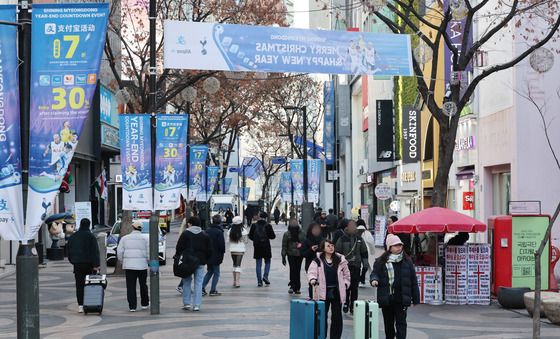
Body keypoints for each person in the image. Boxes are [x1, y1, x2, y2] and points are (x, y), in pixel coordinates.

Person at [370, 234, 420, 339]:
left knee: (401, 323)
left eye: (400, 245)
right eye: (396, 245)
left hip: (401, 298)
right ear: (389, 248)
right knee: (388, 324)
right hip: (387, 298)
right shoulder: (381, 261)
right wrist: (374, 280)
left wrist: (415, 299)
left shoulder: (407, 261)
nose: (399, 247)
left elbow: (413, 280)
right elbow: (375, 273)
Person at [307, 240, 351, 339]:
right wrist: (313, 279)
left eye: (332, 245)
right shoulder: (317, 260)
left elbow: (347, 274)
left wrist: (345, 284)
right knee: (322, 317)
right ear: (323, 248)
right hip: (322, 292)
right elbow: (311, 272)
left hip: (337, 291)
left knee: (337, 317)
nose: (331, 247)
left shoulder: (340, 259)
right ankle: (321, 336)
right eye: (328, 246)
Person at [175, 216, 212, 311]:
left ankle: (187, 303)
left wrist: (179, 257)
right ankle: (197, 305)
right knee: (199, 283)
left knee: (186, 281)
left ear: (190, 224)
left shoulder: (185, 234)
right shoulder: (205, 235)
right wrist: (205, 260)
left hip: (187, 262)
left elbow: (179, 248)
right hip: (200, 262)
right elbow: (209, 250)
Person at [335, 219, 369, 314]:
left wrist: (365, 265)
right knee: (346, 286)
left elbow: (364, 252)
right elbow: (337, 253)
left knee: (354, 287)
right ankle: (345, 302)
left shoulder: (359, 239)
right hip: (345, 267)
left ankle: (353, 305)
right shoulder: (342, 239)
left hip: (356, 266)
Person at [66, 218, 100, 313]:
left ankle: (80, 305)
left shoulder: (74, 236)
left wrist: (72, 261)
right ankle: (89, 302)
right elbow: (95, 252)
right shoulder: (91, 236)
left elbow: (68, 250)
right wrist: (96, 265)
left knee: (79, 285)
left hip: (77, 264)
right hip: (89, 264)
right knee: (89, 284)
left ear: (80, 224)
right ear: (89, 225)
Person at [117, 220, 149, 312]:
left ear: (132, 227)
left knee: (130, 286)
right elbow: (149, 252)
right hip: (142, 266)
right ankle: (145, 303)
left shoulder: (125, 238)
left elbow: (119, 252)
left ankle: (132, 306)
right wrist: (147, 261)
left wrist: (122, 261)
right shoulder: (145, 238)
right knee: (143, 285)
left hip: (129, 266)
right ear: (141, 229)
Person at [248, 211, 276, 287]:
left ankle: (259, 281)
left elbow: (250, 236)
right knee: (267, 262)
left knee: (258, 264)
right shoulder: (268, 226)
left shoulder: (254, 225)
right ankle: (265, 276)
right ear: (266, 217)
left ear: (259, 216)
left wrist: (256, 239)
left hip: (257, 246)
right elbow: (273, 236)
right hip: (266, 246)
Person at [202, 214, 226, 296]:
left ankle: (202, 287)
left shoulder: (207, 230)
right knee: (216, 273)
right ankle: (213, 290)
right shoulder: (219, 232)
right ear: (220, 222)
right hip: (216, 255)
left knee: (210, 271)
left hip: (208, 255)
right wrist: (222, 253)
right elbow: (221, 245)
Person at [281, 219, 306, 294]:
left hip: (298, 254)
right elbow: (284, 246)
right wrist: (283, 256)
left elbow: (305, 243)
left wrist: (302, 246)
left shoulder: (301, 233)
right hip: (292, 254)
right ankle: (294, 286)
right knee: (294, 269)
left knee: (295, 270)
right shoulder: (288, 234)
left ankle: (295, 286)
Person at [301, 222, 325, 298]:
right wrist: (311, 249)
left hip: (322, 265)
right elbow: (303, 254)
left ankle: (321, 300)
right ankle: (312, 300)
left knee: (322, 283)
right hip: (310, 265)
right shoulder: (306, 241)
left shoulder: (323, 240)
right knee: (312, 283)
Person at [228, 216, 248, 287]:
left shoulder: (230, 230)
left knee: (234, 264)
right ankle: (237, 282)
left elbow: (228, 240)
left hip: (232, 250)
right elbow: (246, 241)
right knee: (238, 265)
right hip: (240, 250)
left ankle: (234, 281)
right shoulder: (244, 231)